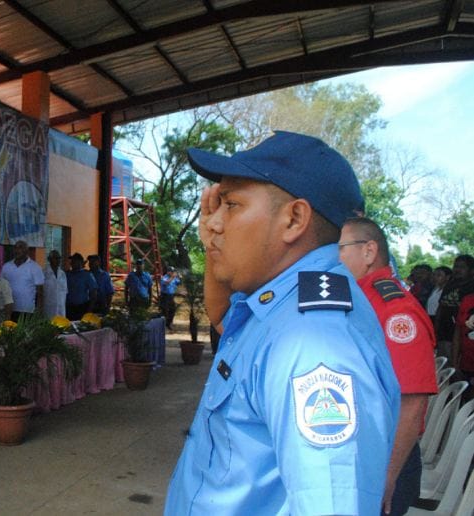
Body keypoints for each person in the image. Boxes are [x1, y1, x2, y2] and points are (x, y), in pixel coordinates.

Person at [165, 131, 400, 515]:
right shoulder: (284, 304)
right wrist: (213, 246)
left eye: (232, 205)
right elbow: (225, 319)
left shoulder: (312, 344)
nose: (215, 223)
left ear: (294, 219)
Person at [339, 217, 437, 516]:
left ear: (369, 252)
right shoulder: (361, 301)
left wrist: (387, 475)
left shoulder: (394, 311)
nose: (331, 258)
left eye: (338, 249)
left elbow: (412, 401)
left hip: (385, 460)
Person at [434, 254, 474, 359]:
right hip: (444, 334)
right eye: (455, 266)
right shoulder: (450, 285)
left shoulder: (471, 287)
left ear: (471, 270)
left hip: (464, 338)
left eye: (462, 267)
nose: (457, 270)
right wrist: (436, 329)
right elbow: (441, 307)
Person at [1, 240, 44, 321]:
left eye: (20, 247)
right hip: (9, 310)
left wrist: (39, 311)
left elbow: (40, 292)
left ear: (26, 251)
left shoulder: (35, 267)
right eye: (15, 248)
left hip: (28, 311)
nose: (17, 250)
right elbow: (2, 287)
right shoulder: (6, 266)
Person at [65, 253, 97, 321]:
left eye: (74, 261)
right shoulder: (67, 275)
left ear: (80, 262)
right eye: (71, 261)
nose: (71, 263)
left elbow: (93, 293)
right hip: (69, 307)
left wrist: (89, 310)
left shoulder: (87, 275)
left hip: (82, 307)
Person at [43, 250, 67, 318]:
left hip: (61, 310)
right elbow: (40, 293)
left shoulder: (63, 274)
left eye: (59, 258)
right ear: (49, 259)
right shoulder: (43, 273)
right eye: (55, 258)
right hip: (48, 310)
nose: (58, 260)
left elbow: (65, 292)